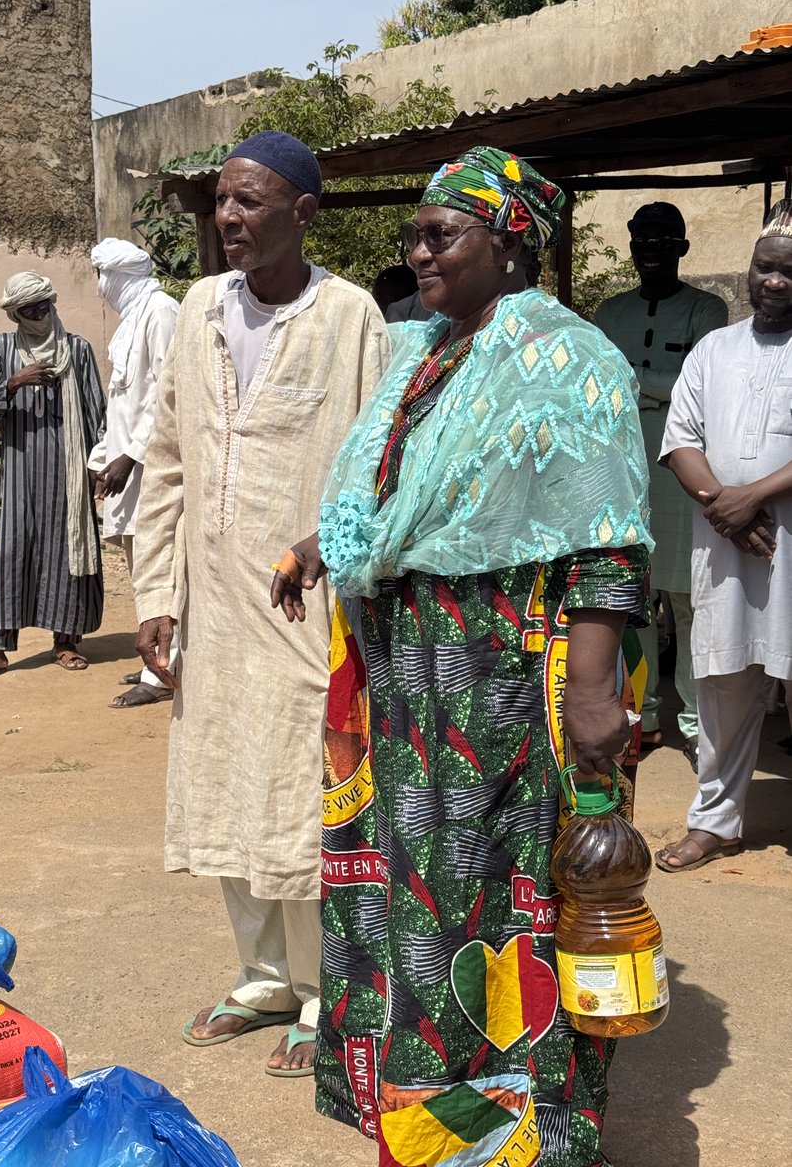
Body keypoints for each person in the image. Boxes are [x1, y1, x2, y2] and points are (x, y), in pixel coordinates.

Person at [271, 147, 652, 1166]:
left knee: (502, 902)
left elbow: (605, 536)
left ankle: (522, 1138)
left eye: (441, 233)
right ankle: (431, 1127)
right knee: (415, 902)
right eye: (415, 236)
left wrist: (593, 686)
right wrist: (323, 547)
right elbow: (401, 496)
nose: (419, 251)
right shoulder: (424, 353)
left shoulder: (569, 361)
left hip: (504, 682)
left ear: (510, 242)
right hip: (404, 677)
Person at [130, 131, 390, 1076]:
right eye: (222, 205)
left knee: (304, 785)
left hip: (306, 607)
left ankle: (327, 993)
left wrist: (337, 555)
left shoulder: (352, 316)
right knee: (228, 778)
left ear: (303, 214)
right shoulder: (200, 306)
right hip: (209, 603)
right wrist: (156, 592)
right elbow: (164, 460)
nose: (229, 220)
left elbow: (375, 464)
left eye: (248, 202)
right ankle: (262, 976)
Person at [655, 199, 792, 872]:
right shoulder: (715, 349)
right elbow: (680, 437)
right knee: (724, 684)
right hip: (726, 549)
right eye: (764, 269)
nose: (773, 282)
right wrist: (723, 508)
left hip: (784, 547)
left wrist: (753, 499)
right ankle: (716, 822)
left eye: (789, 273)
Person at [595, 202, 727, 770]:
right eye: (640, 238)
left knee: (690, 599)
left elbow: (700, 387)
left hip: (682, 472)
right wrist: (657, 388)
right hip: (621, 471)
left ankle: (697, 724)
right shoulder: (609, 312)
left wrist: (635, 382)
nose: (649, 248)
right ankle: (642, 718)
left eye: (662, 239)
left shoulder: (707, 309)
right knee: (634, 601)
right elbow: (596, 382)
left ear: (682, 247)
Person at [0, 272, 105, 682]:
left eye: (44, 306)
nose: (39, 314)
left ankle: (66, 641)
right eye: (29, 309)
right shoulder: (2, 348)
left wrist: (99, 467)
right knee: (13, 552)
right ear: (15, 313)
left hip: (68, 472)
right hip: (21, 469)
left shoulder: (75, 349)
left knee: (67, 549)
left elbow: (95, 410)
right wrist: (16, 382)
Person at [87, 237, 180, 709]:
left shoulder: (160, 310)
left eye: (103, 275)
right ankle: (159, 657)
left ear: (118, 275)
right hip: (127, 467)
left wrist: (133, 456)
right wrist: (103, 457)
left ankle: (162, 672)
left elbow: (169, 390)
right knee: (139, 563)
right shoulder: (131, 320)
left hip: (153, 467)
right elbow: (122, 401)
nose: (100, 286)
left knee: (159, 566)